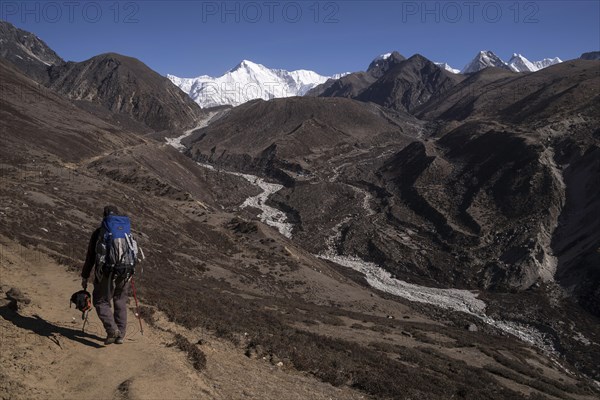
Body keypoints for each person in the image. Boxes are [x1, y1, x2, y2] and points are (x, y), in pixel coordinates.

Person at [81, 205, 132, 345]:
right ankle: (120, 335)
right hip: (125, 271)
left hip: (106, 272)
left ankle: (112, 330)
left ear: (104, 216)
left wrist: (85, 276)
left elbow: (90, 257)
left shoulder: (98, 233)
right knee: (120, 300)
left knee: (100, 300)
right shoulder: (126, 232)